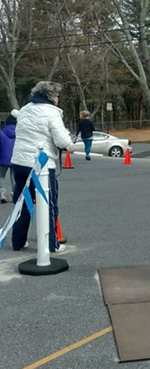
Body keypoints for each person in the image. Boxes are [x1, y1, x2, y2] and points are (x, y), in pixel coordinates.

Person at [11, 81, 73, 252]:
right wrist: (69, 140)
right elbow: (62, 141)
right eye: (57, 95)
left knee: (21, 202)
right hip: (42, 165)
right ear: (51, 96)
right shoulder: (52, 113)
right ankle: (52, 244)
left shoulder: (24, 109)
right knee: (48, 203)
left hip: (19, 162)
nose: (58, 98)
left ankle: (18, 241)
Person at [0, 110, 18, 202]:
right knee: (14, 176)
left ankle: (2, 194)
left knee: (1, 176)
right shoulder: (18, 133)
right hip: (15, 158)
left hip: (3, 158)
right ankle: (15, 193)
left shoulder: (2, 133)